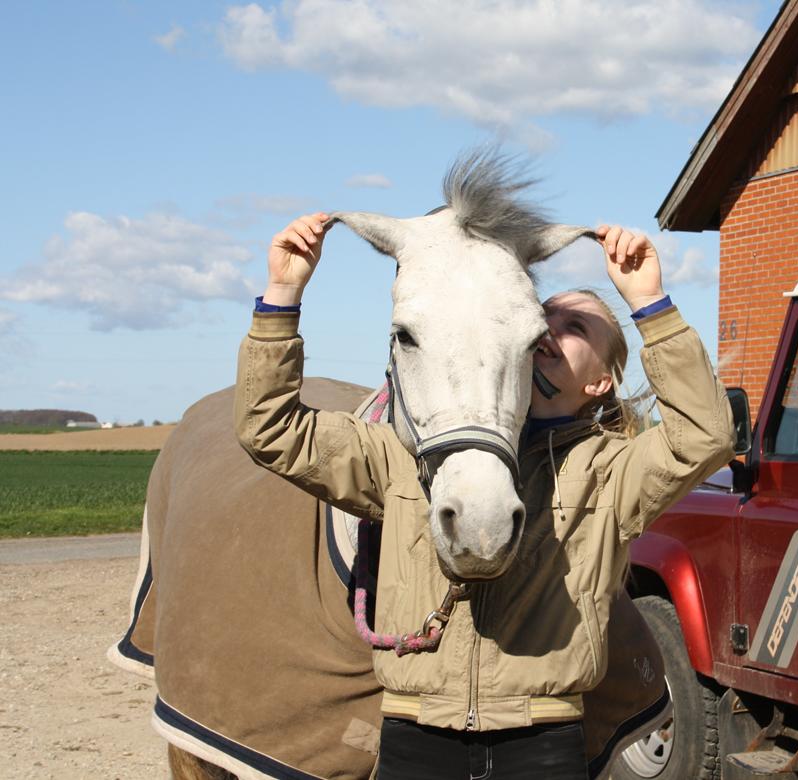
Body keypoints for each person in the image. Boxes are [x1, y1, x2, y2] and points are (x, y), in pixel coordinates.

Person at [236, 211, 734, 779]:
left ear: (600, 381)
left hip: (543, 739)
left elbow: (705, 435)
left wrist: (651, 304)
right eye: (539, 320)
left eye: (575, 329)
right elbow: (270, 427)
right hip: (415, 732)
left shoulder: (611, 472)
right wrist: (283, 294)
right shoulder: (408, 460)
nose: (548, 332)